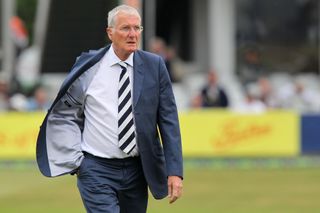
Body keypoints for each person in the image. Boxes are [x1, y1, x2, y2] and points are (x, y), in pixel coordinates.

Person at [36, 5, 183, 213]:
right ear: (110, 32)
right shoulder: (89, 66)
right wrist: (79, 163)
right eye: (125, 28)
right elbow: (67, 112)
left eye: (137, 28)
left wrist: (175, 171)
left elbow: (169, 121)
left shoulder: (155, 66)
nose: (133, 34)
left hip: (138, 170)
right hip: (95, 169)